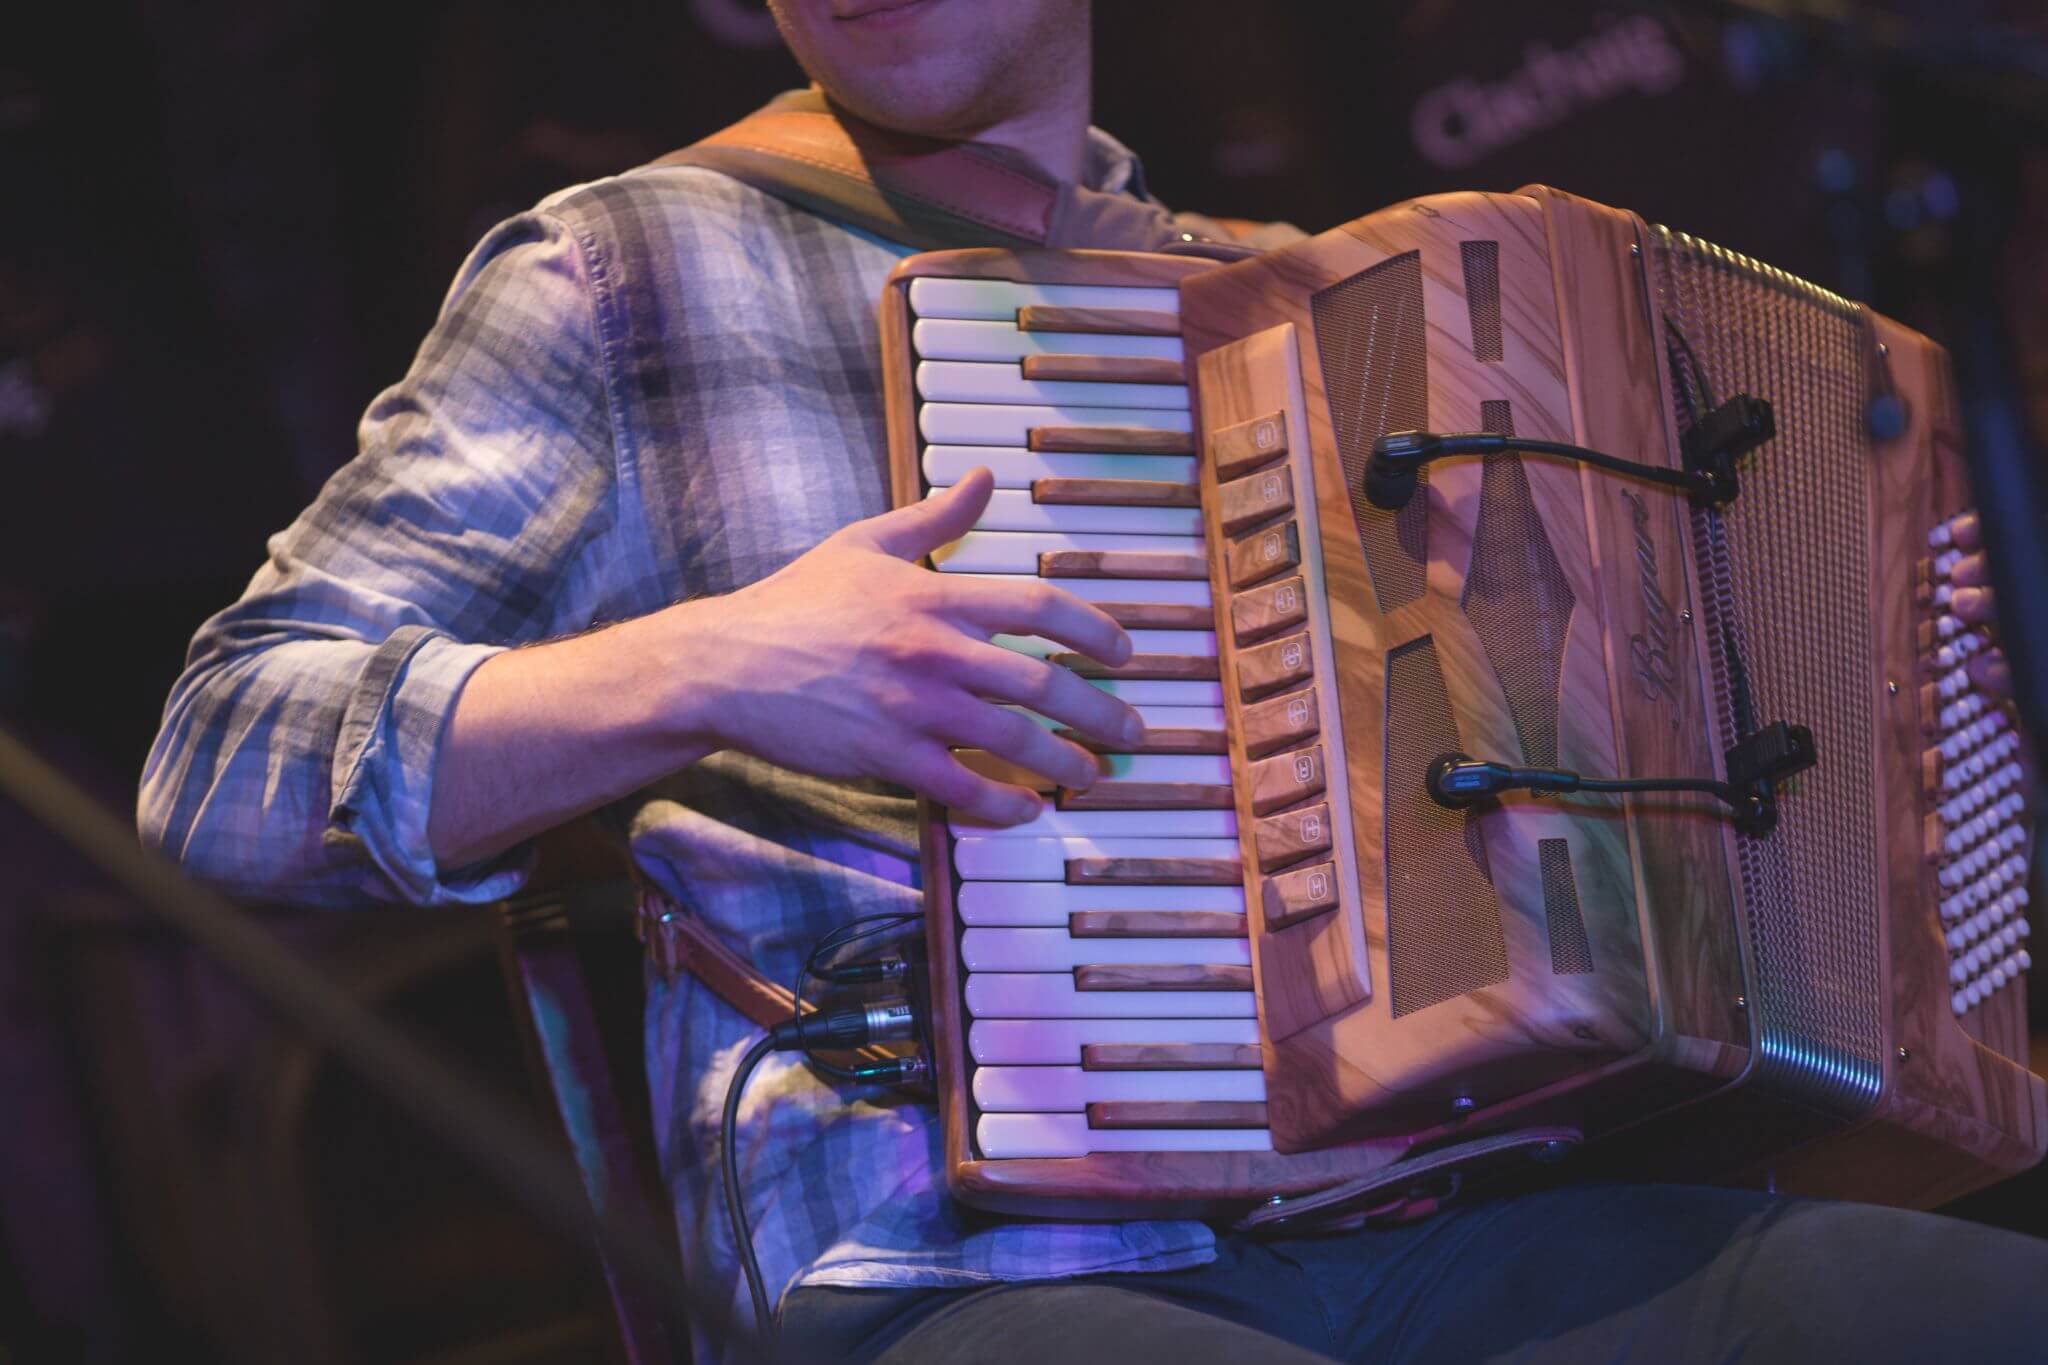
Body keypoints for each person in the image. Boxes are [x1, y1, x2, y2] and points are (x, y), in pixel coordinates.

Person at [140, 0, 2041, 1360]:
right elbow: (215, 759)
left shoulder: (1321, 313)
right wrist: (706, 664)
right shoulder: (624, 271)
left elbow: (1616, 797)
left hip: (1483, 1219)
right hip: (957, 1280)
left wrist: (1889, 654)